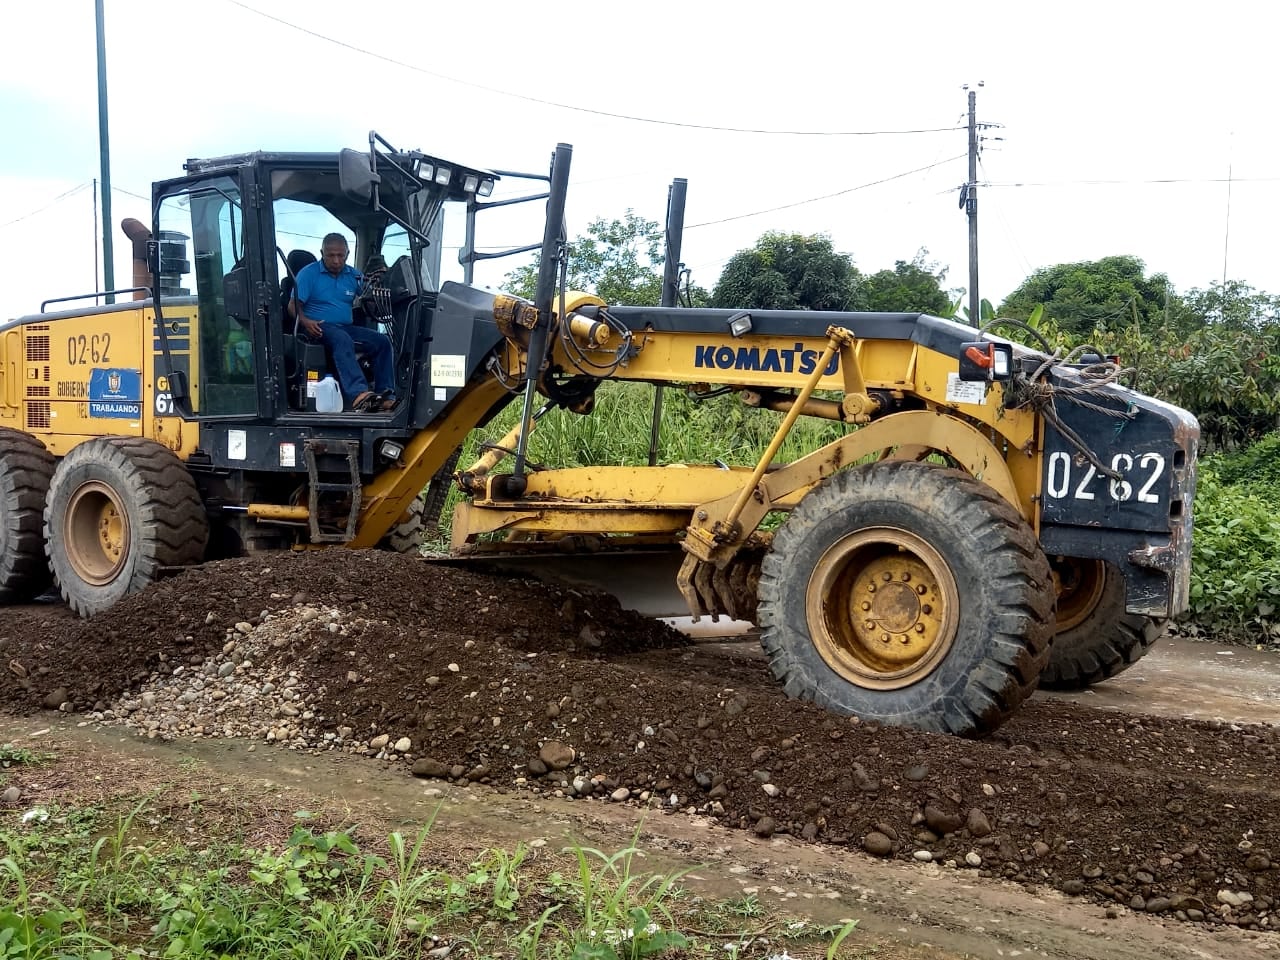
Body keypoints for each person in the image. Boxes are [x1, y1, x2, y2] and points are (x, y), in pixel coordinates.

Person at [292, 233, 396, 412]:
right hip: (316, 327)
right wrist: (306, 321)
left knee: (382, 341)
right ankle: (358, 394)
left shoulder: (353, 276)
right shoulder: (308, 274)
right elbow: (292, 306)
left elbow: (370, 295)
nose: (336, 261)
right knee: (341, 338)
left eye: (340, 255)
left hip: (345, 328)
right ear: (322, 253)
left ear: (347, 254)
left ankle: (386, 396)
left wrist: (380, 286)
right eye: (331, 255)